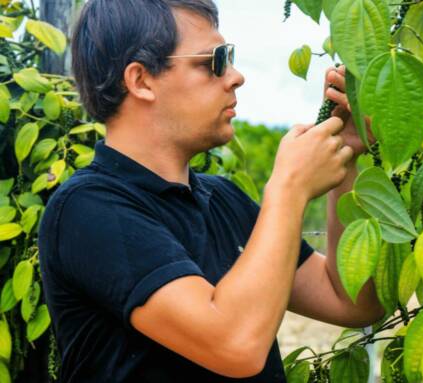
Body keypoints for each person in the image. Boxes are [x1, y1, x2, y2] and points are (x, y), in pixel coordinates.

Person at [38, 0, 384, 381]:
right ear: (141, 80)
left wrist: (346, 152)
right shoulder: (86, 209)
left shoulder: (224, 199)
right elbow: (235, 346)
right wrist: (289, 188)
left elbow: (352, 302)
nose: (236, 77)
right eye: (214, 61)